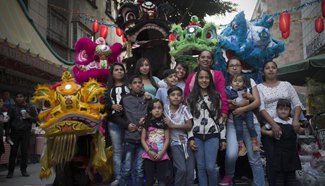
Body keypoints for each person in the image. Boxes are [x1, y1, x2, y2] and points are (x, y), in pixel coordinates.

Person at [219, 58, 264, 186]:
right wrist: (235, 105)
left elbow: (257, 101)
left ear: (241, 68)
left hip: (252, 123)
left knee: (254, 157)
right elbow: (223, 103)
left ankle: (259, 183)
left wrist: (242, 108)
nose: (234, 67)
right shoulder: (224, 83)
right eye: (231, 65)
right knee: (231, 154)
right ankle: (229, 176)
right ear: (227, 69)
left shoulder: (250, 81)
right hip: (233, 123)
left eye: (237, 65)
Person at [257, 61, 303, 186]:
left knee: (289, 158)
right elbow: (261, 108)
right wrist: (273, 125)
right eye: (267, 68)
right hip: (270, 128)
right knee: (272, 161)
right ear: (263, 71)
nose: (271, 70)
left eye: (273, 67)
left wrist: (295, 120)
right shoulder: (259, 87)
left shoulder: (286, 85)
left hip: (288, 127)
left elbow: (297, 104)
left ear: (277, 70)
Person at [187, 69, 225, 186]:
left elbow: (220, 119)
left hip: (212, 135)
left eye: (206, 78)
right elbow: (189, 120)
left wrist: (223, 139)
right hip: (197, 136)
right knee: (201, 167)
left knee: (210, 167)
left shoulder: (216, 96)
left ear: (210, 80)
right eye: (201, 78)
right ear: (197, 80)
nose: (204, 80)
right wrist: (191, 137)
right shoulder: (191, 97)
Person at [117, 75, 151, 186]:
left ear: (142, 85)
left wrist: (145, 122)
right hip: (129, 138)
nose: (137, 84)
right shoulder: (125, 98)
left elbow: (153, 113)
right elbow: (118, 116)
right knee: (126, 169)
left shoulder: (147, 98)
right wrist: (127, 125)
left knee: (139, 170)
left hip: (143, 140)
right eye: (135, 82)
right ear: (130, 86)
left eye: (139, 82)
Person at [184, 50, 228, 123]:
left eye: (208, 57)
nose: (205, 59)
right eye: (203, 57)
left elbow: (222, 94)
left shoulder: (217, 75)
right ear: (198, 60)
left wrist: (224, 111)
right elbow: (186, 96)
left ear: (212, 61)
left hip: (213, 112)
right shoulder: (191, 76)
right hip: (194, 112)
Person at [164, 86, 194, 186]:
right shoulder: (164, 109)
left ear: (182, 98)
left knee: (190, 172)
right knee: (181, 169)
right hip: (174, 143)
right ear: (168, 97)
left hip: (187, 142)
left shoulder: (184, 108)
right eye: (173, 95)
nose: (176, 97)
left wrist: (173, 125)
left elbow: (189, 125)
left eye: (178, 95)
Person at [105, 63, 129, 186]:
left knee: (127, 150)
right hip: (113, 123)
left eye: (121, 70)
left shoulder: (130, 86)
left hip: (128, 122)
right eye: (116, 70)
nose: (119, 72)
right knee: (117, 150)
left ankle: (125, 177)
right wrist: (111, 106)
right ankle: (118, 177)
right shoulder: (107, 88)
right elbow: (103, 106)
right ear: (112, 73)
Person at [270, 99, 303, 185]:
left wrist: (300, 129)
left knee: (291, 178)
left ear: (290, 110)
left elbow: (301, 130)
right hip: (279, 154)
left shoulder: (293, 121)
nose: (283, 111)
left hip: (291, 154)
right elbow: (263, 130)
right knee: (279, 179)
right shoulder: (274, 122)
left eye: (286, 109)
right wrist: (270, 133)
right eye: (281, 109)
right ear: (277, 110)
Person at [225, 74, 259, 156]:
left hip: (248, 112)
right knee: (238, 129)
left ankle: (254, 142)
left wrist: (250, 97)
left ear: (243, 83)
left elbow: (253, 100)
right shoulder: (228, 90)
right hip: (236, 113)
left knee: (251, 126)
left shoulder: (246, 90)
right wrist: (230, 101)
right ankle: (241, 146)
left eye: (240, 81)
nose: (237, 83)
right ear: (231, 82)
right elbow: (224, 101)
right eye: (235, 81)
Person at [5, 92, 37, 178]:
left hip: (26, 133)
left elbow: (37, 120)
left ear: (25, 98)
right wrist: (7, 134)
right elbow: (8, 122)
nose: (18, 98)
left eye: (21, 96)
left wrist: (28, 116)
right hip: (14, 133)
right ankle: (10, 172)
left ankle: (24, 170)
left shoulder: (31, 107)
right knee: (13, 152)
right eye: (17, 97)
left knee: (24, 152)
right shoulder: (12, 108)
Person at [141, 99, 170, 186]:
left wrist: (161, 153)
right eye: (154, 108)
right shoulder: (146, 122)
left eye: (159, 108)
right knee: (149, 180)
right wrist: (149, 152)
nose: (157, 110)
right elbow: (142, 139)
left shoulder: (165, 123)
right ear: (150, 110)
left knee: (162, 180)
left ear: (162, 110)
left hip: (162, 155)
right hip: (149, 155)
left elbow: (167, 139)